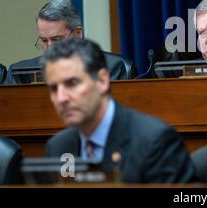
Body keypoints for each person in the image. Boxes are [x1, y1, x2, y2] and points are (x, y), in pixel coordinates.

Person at [42, 38, 196, 183]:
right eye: (54, 88)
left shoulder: (154, 141)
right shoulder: (57, 147)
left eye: (72, 83)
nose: (61, 98)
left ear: (102, 81)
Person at [4, 0, 137, 84]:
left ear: (78, 34)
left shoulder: (113, 67)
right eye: (44, 41)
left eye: (57, 40)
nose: (50, 48)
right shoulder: (19, 74)